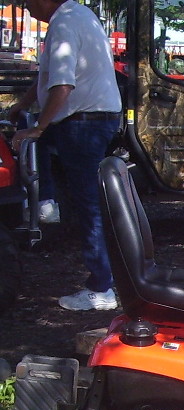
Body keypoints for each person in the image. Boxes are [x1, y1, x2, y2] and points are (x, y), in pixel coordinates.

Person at [10, 0, 122, 311]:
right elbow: (46, 79)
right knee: (44, 142)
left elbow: (61, 86)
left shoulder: (63, 23)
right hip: (93, 118)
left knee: (88, 203)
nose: (26, 6)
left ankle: (102, 288)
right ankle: (46, 201)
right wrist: (23, 105)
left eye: (28, 0)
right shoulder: (79, 15)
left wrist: (38, 127)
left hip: (84, 122)